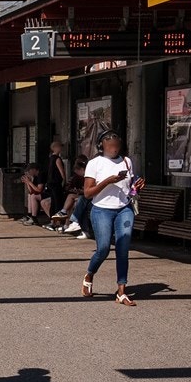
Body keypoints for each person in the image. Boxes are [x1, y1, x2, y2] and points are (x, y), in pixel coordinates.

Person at [81, 130, 144, 305]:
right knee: (103, 249)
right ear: (102, 146)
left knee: (123, 249)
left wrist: (137, 184)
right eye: (110, 147)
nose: (114, 150)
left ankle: (121, 291)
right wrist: (108, 181)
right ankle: (90, 274)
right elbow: (87, 193)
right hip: (102, 209)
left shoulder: (126, 161)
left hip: (124, 209)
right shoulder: (94, 163)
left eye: (117, 147)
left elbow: (131, 185)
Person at [44, 141, 68, 224]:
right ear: (55, 148)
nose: (61, 149)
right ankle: (58, 221)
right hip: (56, 183)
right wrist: (64, 180)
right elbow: (62, 171)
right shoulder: (57, 159)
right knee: (58, 202)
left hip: (50, 183)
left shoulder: (51, 158)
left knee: (53, 202)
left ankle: (52, 220)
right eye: (59, 147)